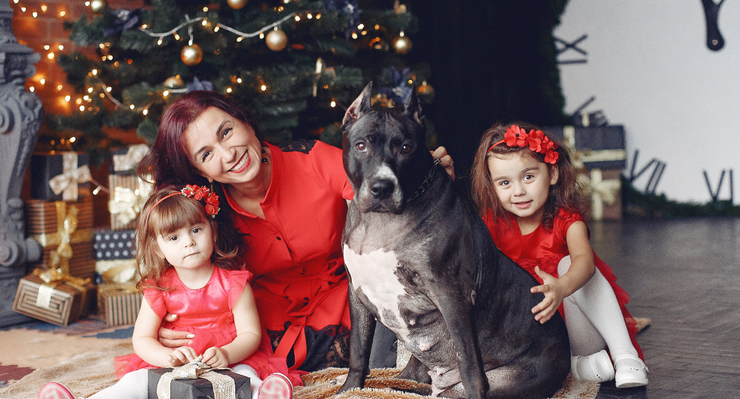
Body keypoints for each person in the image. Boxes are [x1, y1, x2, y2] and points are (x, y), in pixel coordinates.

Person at [136, 90, 453, 373]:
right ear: (199, 171)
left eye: (227, 132)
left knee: (390, 352)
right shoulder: (205, 208)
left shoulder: (311, 159)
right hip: (263, 317)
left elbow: (378, 187)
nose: (228, 154)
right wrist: (167, 322)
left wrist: (426, 178)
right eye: (206, 154)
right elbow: (172, 252)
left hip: (342, 299)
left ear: (245, 122)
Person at [38, 186, 295, 399]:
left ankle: (264, 394)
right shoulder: (159, 287)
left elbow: (251, 333)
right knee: (135, 382)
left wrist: (227, 354)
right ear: (158, 249)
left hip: (227, 359)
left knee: (246, 375)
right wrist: (168, 357)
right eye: (174, 238)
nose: (189, 242)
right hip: (175, 363)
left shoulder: (234, 282)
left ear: (213, 232)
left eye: (196, 230)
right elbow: (142, 338)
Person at [470, 122, 649, 388]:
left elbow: (585, 264)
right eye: (504, 182)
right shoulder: (491, 226)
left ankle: (626, 357)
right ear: (492, 186)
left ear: (552, 173)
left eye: (528, 177)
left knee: (569, 264)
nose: (518, 191)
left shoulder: (567, 220)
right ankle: (576, 367)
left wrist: (562, 287)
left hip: (575, 334)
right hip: (527, 342)